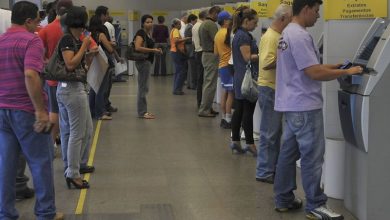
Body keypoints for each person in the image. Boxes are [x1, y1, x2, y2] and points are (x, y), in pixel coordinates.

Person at [273, 0, 362, 219]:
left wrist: (337, 66)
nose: (318, 16)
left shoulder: (287, 33)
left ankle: (283, 199)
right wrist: (346, 73)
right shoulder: (301, 36)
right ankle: (315, 205)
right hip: (305, 106)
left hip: (291, 105)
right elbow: (313, 73)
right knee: (312, 157)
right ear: (306, 9)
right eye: (316, 10)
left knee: (287, 155)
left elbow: (305, 67)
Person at [0, 1, 63, 219]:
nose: (39, 24)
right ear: (28, 21)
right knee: (40, 162)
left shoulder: (2, 40)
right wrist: (41, 111)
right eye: (37, 20)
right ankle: (46, 212)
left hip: (2, 110)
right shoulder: (31, 41)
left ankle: (5, 213)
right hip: (26, 111)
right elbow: (30, 75)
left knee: (6, 165)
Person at [56, 6, 93, 189]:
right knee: (76, 133)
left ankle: (73, 167)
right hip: (71, 90)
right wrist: (85, 46)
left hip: (71, 89)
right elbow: (70, 64)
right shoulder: (67, 40)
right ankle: (72, 172)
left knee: (81, 131)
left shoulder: (73, 39)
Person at [255, 4, 292, 184]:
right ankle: (264, 171)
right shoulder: (272, 37)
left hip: (272, 88)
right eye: (291, 19)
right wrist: (288, 56)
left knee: (274, 132)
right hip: (270, 88)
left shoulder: (275, 35)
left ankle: (271, 168)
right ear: (283, 18)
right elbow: (267, 63)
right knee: (269, 133)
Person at [230, 8, 259, 156]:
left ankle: (235, 141)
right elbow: (247, 57)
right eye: (255, 22)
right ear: (246, 21)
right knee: (248, 110)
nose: (256, 25)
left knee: (240, 110)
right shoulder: (243, 36)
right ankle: (250, 143)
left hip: (240, 76)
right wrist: (264, 55)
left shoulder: (240, 34)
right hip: (246, 79)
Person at [133, 14, 162, 119]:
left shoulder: (148, 33)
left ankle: (143, 111)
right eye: (147, 22)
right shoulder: (141, 33)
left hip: (147, 62)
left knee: (144, 87)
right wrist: (153, 50)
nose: (150, 24)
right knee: (143, 87)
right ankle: (142, 112)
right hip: (143, 62)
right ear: (143, 23)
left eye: (151, 21)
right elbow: (137, 47)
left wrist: (156, 50)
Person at [198, 6, 222, 117]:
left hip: (206, 54)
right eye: (218, 14)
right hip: (210, 55)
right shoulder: (211, 24)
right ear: (213, 13)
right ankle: (204, 109)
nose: (219, 16)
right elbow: (216, 40)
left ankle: (207, 107)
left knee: (208, 83)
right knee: (210, 84)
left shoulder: (203, 23)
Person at [214, 11, 233, 129]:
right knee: (231, 93)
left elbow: (216, 53)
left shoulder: (217, 34)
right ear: (225, 21)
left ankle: (223, 118)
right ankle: (229, 119)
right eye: (230, 19)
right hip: (229, 66)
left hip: (221, 65)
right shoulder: (228, 33)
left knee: (224, 92)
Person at [170, 18, 190, 95]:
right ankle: (177, 89)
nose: (180, 25)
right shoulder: (175, 31)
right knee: (181, 72)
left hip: (174, 51)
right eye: (179, 24)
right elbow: (176, 41)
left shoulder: (173, 30)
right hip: (177, 52)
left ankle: (176, 88)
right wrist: (185, 39)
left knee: (178, 71)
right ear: (175, 25)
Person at [192, 10, 207, 108]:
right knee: (204, 79)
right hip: (202, 52)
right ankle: (202, 103)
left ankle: (200, 102)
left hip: (197, 51)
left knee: (200, 79)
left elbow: (193, 41)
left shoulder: (194, 26)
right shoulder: (202, 26)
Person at [184, 14, 198, 90]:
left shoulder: (187, 26)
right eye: (195, 20)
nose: (196, 22)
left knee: (190, 68)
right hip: (190, 49)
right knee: (192, 68)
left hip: (188, 48)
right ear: (192, 20)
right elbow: (188, 39)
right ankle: (193, 84)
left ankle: (189, 84)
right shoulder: (190, 27)